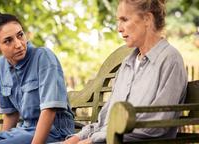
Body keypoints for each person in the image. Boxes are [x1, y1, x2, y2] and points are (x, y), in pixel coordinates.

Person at [63, 0, 187, 143]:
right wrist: (78, 137)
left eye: (124, 20)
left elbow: (155, 126)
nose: (119, 28)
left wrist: (93, 140)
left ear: (147, 19)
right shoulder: (126, 66)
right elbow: (105, 122)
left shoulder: (170, 60)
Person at [0, 11, 74, 144]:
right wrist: (4, 137)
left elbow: (49, 110)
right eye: (8, 40)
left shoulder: (43, 57)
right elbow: (11, 114)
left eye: (20, 35)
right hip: (23, 130)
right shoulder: (0, 66)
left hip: (55, 131)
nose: (18, 44)